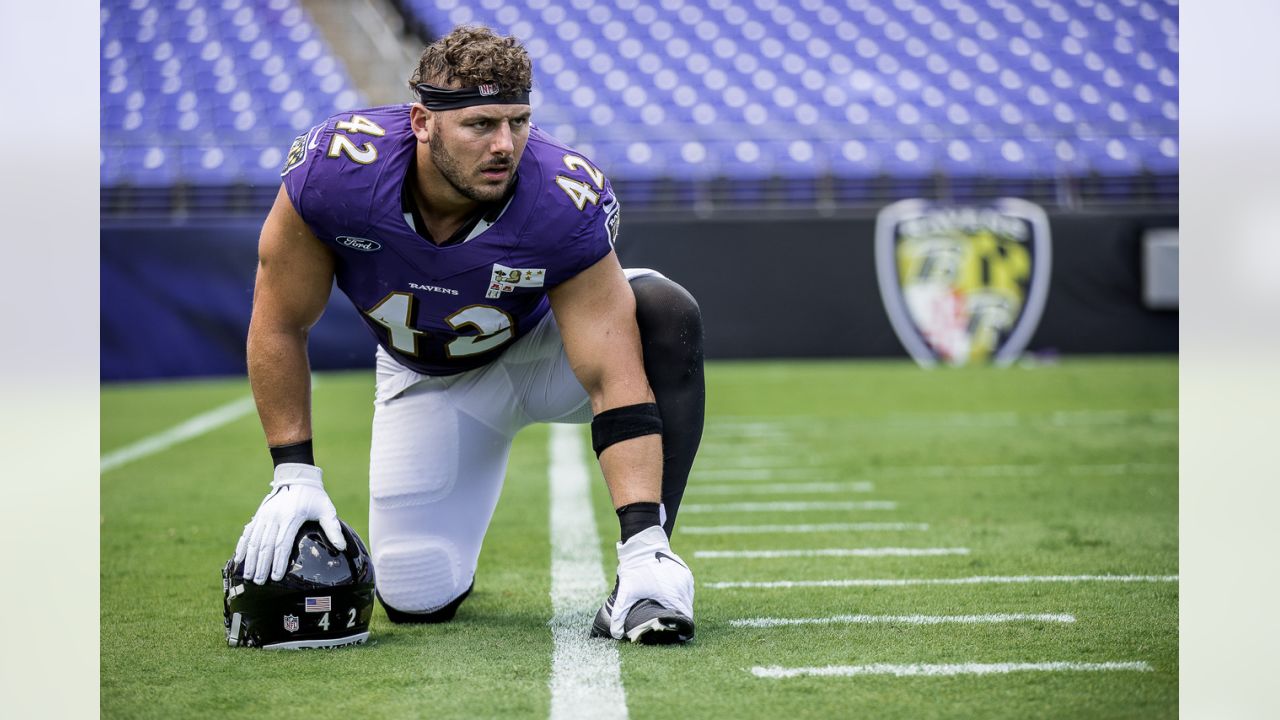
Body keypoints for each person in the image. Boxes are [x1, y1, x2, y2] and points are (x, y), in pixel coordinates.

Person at [233, 25, 705, 644]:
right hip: (430, 379)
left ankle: (650, 563)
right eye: (481, 124)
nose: (505, 144)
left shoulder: (561, 196)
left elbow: (612, 372)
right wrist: (294, 471)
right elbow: (278, 320)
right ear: (423, 122)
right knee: (415, 597)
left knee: (665, 313)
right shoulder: (337, 174)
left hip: (544, 351)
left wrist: (639, 534)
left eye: (519, 121)